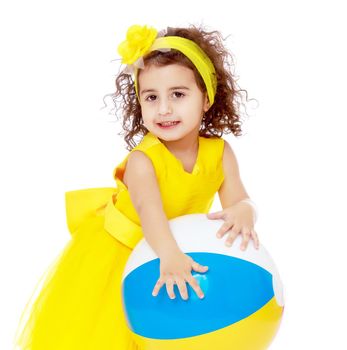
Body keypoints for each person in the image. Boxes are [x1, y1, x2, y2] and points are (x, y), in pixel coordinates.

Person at [13, 24, 260, 350]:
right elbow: (150, 212)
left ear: (206, 98)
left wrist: (245, 210)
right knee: (110, 332)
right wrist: (170, 255)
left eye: (178, 94)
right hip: (123, 247)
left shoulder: (220, 153)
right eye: (151, 97)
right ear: (139, 103)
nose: (164, 108)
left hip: (167, 246)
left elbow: (237, 198)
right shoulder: (143, 161)